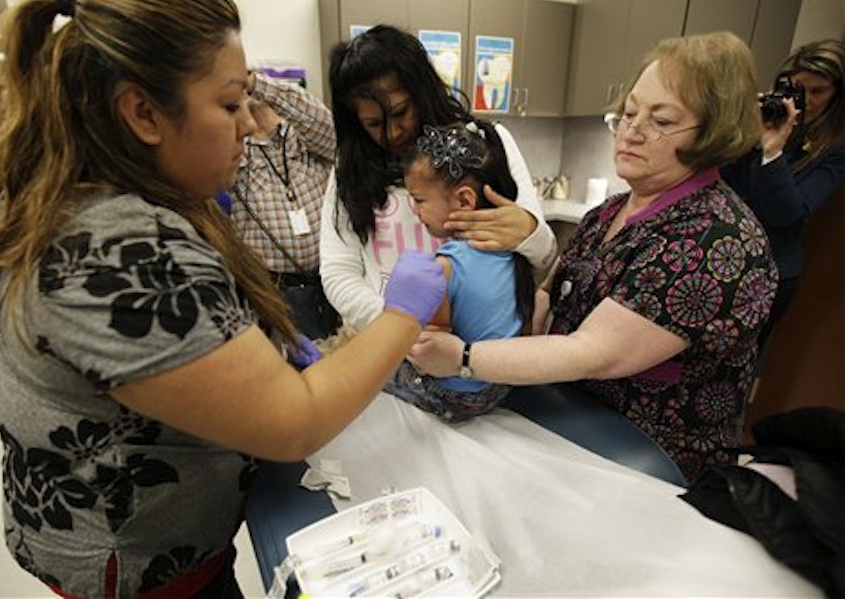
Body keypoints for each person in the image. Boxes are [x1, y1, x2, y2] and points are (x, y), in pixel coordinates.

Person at [0, 0, 446, 597]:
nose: (248, 125)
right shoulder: (121, 249)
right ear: (142, 113)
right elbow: (293, 423)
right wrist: (402, 315)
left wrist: (258, 351)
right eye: (227, 104)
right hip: (139, 561)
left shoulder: (111, 207)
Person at [408, 31, 779, 484]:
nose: (632, 131)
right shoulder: (606, 215)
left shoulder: (716, 241)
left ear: (713, 133)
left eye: (661, 120)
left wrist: (465, 358)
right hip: (568, 424)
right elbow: (548, 296)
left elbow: (592, 353)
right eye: (629, 112)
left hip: (651, 459)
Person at [320, 24, 557, 330]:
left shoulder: (486, 143)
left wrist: (528, 231)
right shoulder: (351, 169)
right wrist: (405, 329)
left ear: (421, 93)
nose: (393, 133)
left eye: (401, 112)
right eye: (374, 123)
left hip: (483, 353)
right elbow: (339, 273)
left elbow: (546, 254)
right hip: (393, 350)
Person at [384, 119, 535, 421]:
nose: (414, 210)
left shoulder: (444, 267)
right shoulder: (517, 251)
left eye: (419, 199)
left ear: (465, 200)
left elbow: (429, 354)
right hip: (500, 385)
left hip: (458, 398)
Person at [722, 39, 845, 361]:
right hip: (725, 256)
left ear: (838, 96)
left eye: (817, 91)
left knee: (735, 365)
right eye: (797, 88)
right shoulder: (766, 121)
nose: (804, 100)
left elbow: (789, 214)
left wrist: (772, 151)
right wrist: (742, 131)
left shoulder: (834, 149)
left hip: (770, 270)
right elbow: (722, 183)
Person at [223, 70, 339, 339]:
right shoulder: (240, 155)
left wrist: (254, 82)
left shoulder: (305, 141)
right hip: (275, 289)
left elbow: (323, 124)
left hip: (329, 278)